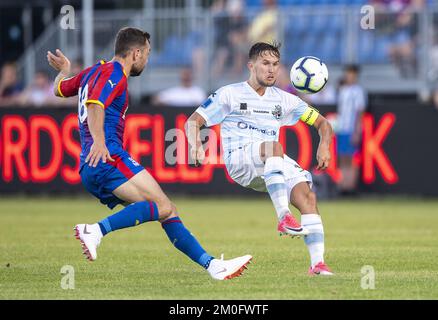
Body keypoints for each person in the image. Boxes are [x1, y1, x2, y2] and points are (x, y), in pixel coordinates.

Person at [47, 27, 251, 280]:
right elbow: (94, 104)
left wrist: (65, 70)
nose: (147, 59)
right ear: (136, 53)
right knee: (162, 206)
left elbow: (60, 89)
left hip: (92, 164)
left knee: (167, 209)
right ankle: (96, 230)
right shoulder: (114, 74)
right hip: (107, 158)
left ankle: (212, 266)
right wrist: (99, 141)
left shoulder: (93, 71)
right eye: (147, 53)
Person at [186, 42, 334, 276]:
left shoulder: (285, 100)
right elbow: (193, 121)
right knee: (273, 147)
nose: (271, 69)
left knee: (307, 195)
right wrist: (195, 146)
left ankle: (318, 265)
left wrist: (324, 145)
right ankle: (284, 216)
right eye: (265, 63)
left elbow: (323, 123)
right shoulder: (229, 94)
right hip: (239, 160)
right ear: (251, 65)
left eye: (275, 64)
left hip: (269, 161)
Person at [336, 65, 367, 195]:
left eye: (352, 74)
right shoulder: (342, 90)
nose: (349, 77)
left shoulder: (358, 91)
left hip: (351, 128)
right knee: (343, 157)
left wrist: (357, 131)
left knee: (352, 158)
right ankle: (343, 184)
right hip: (342, 128)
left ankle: (351, 186)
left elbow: (360, 112)